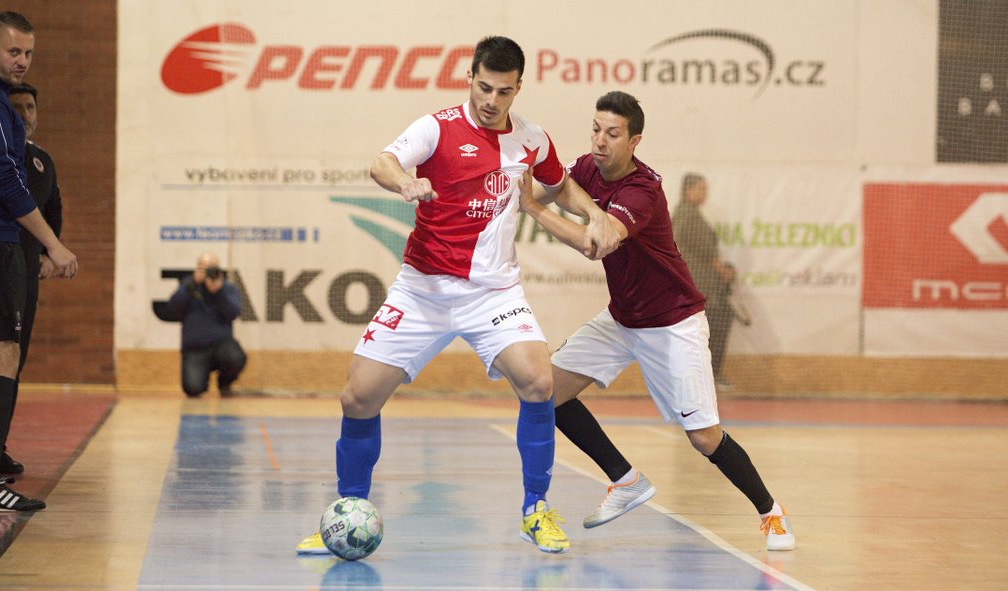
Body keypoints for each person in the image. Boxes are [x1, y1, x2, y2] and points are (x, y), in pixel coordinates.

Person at [295, 36, 619, 556]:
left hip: (492, 292)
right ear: (470, 77)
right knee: (357, 397)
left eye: (504, 91)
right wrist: (404, 183)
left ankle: (535, 510)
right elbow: (383, 162)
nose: (492, 100)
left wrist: (596, 214)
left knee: (539, 383)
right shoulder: (437, 127)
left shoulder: (532, 139)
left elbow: (559, 187)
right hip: (423, 288)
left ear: (518, 89)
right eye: (484, 87)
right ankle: (346, 511)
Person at [517, 91, 795, 551]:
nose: (600, 141)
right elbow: (554, 187)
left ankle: (771, 512)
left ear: (634, 141)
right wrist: (506, 199)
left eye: (613, 133)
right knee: (546, 391)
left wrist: (533, 208)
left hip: (673, 324)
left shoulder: (642, 191)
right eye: (595, 129)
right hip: (623, 319)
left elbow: (594, 244)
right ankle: (625, 481)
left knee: (704, 438)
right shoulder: (587, 166)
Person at [0, 11, 78, 512]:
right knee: (3, 356)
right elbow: (6, 181)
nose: (22, 62)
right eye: (12, 52)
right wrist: (55, 244)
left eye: (28, 53)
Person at [0, 82, 61, 477]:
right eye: (15, 107)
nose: (23, 114)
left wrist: (52, 251)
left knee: (9, 356)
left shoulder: (41, 162)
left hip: (21, 268)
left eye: (30, 107)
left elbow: (54, 211)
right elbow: (6, 195)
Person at [671, 173, 737, 389]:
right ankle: (709, 375)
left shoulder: (682, 214)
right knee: (713, 327)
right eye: (700, 188)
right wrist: (724, 272)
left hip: (694, 285)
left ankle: (700, 375)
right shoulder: (689, 215)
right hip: (702, 287)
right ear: (688, 190)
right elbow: (708, 253)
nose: (704, 193)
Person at [159, 253, 246, 398]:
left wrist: (218, 292)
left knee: (235, 357)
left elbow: (233, 313)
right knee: (192, 389)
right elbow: (173, 308)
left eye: (211, 268)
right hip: (195, 349)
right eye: (203, 268)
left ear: (218, 269)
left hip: (221, 346)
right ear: (197, 268)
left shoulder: (228, 288)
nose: (207, 272)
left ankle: (224, 383)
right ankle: (201, 379)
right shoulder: (188, 286)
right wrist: (191, 284)